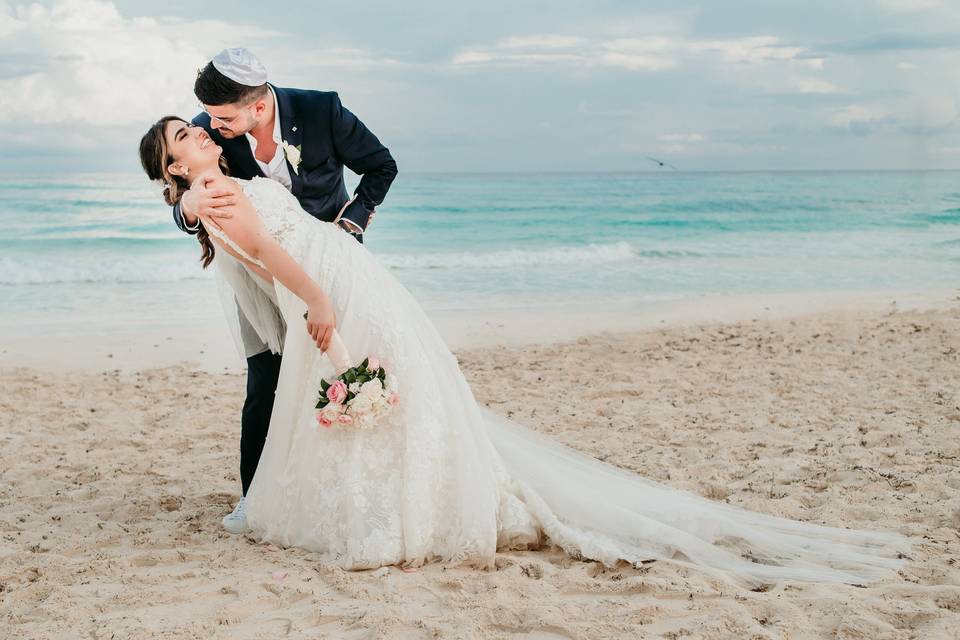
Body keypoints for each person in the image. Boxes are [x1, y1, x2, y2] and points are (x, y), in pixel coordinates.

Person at [139, 115, 910, 587]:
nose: (200, 133)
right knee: (390, 392)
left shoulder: (220, 180)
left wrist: (219, 209)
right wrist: (318, 300)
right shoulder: (209, 195)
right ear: (174, 169)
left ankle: (412, 500)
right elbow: (270, 256)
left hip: (345, 275)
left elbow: (257, 225)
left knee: (409, 390)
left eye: (192, 126)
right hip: (329, 284)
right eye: (184, 137)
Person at [170, 48, 397, 534]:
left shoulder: (322, 111)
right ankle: (253, 496)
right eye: (207, 116)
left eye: (223, 117)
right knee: (265, 381)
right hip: (259, 279)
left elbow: (381, 166)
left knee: (339, 367)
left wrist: (352, 224)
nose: (212, 125)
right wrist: (187, 203)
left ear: (258, 106)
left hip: (327, 265)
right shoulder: (209, 130)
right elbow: (182, 183)